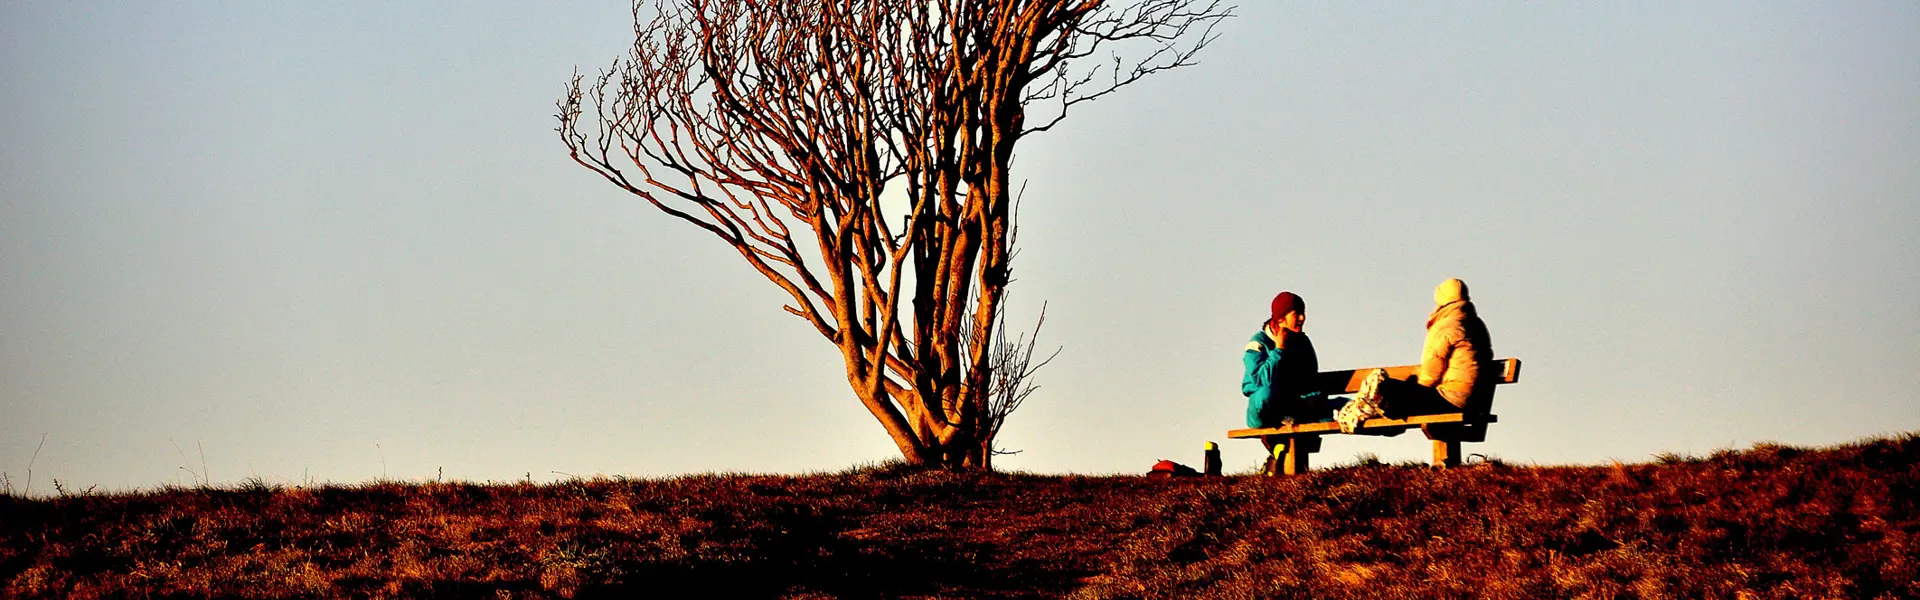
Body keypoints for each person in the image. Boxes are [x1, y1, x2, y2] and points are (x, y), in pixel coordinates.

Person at [1342, 278, 1495, 428]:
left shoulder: (1445, 326)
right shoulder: (1476, 323)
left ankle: (1373, 409)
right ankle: (1381, 408)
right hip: (1475, 400)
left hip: (1451, 400)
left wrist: (1416, 392)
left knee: (1382, 385)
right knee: (1393, 390)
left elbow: (1431, 373)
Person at [1241, 291, 1327, 429]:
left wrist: (1312, 400)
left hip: (1293, 406)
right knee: (1265, 394)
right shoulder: (1257, 344)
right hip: (1264, 409)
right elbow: (1261, 381)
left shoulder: (1303, 343)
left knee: (1340, 406)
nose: (1302, 318)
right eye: (1296, 314)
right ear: (1281, 319)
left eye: (1303, 313)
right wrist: (1279, 350)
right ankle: (1278, 428)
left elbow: (1311, 380)